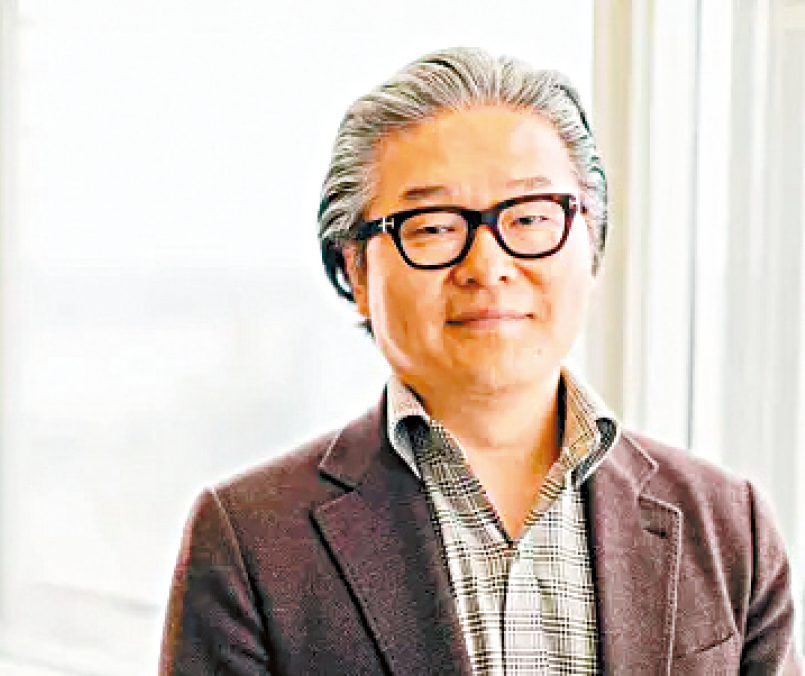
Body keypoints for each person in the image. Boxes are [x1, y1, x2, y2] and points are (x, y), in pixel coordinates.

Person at [159, 47, 800, 675]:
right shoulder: (249, 539)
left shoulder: (727, 525)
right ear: (356, 270)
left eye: (530, 217)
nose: (488, 266)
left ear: (591, 241)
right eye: (433, 226)